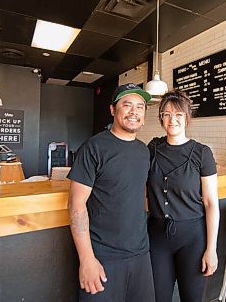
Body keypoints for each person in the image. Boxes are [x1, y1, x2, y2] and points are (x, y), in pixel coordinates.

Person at [67, 83, 155, 302]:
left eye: (140, 106)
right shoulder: (93, 147)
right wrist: (87, 259)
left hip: (140, 254)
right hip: (102, 257)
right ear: (113, 110)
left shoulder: (144, 152)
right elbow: (76, 205)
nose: (134, 111)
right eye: (127, 105)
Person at [146, 90, 220, 302]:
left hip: (193, 238)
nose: (172, 120)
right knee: (158, 297)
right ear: (161, 118)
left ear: (187, 118)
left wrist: (211, 249)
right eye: (166, 114)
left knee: (192, 298)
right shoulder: (153, 148)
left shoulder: (202, 153)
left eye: (178, 114)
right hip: (157, 236)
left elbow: (211, 203)